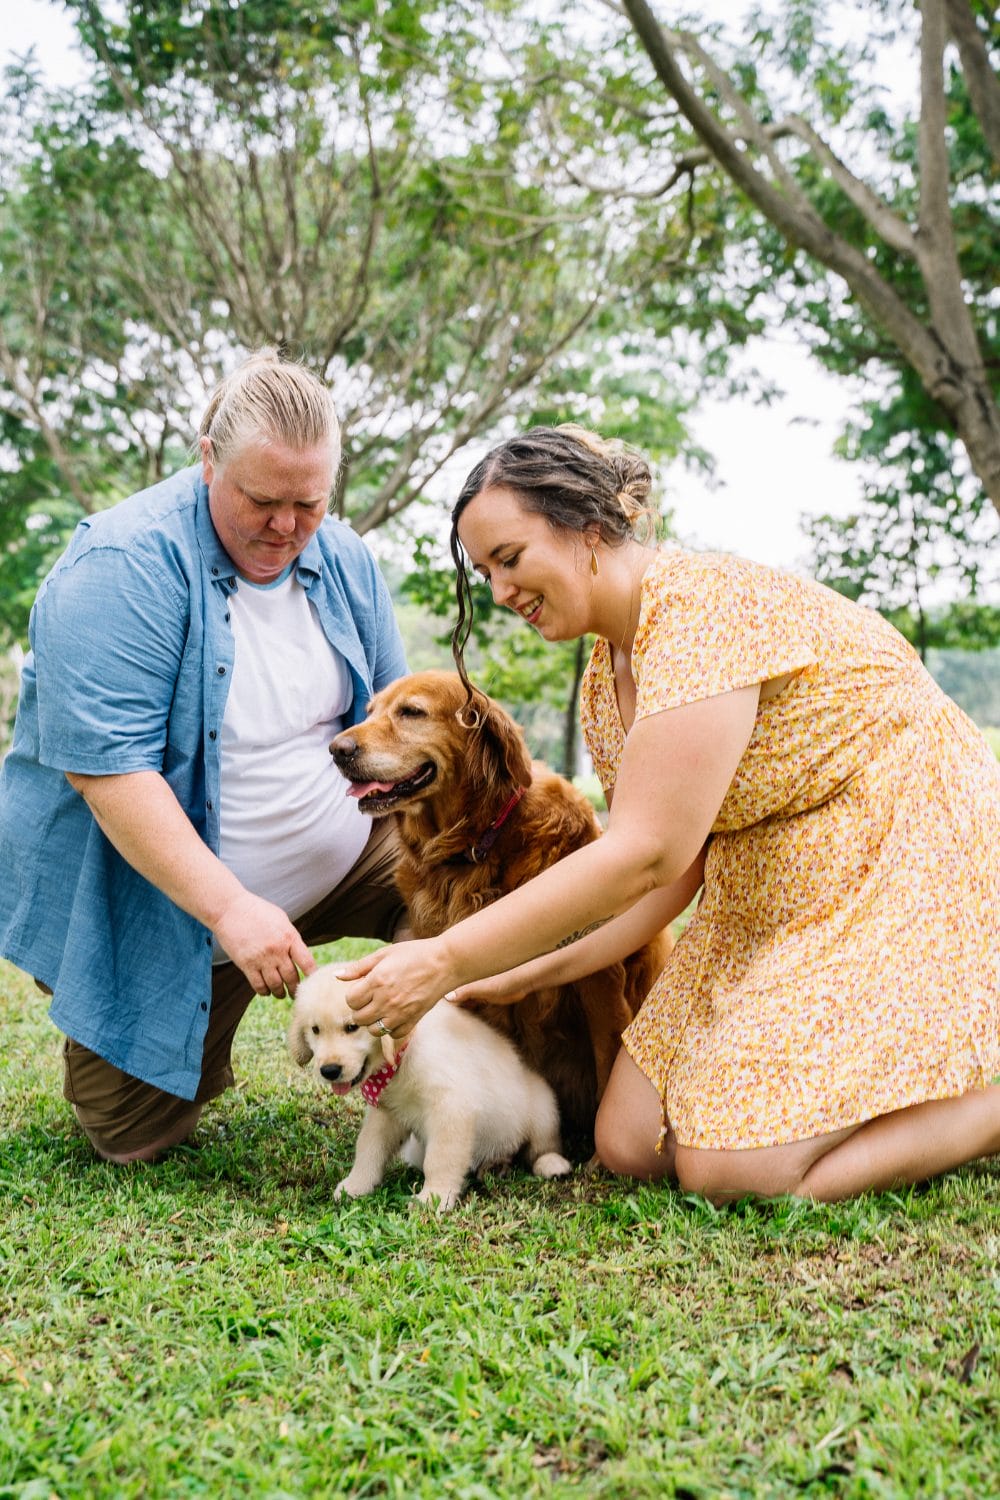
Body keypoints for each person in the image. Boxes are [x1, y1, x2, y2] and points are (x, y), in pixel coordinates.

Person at [337, 424, 1000, 1203]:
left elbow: (643, 855)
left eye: (510, 558)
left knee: (729, 1169)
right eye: (485, 572)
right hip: (768, 894)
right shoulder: (605, 676)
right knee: (630, 1143)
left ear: (588, 528)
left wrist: (446, 960)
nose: (501, 591)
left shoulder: (701, 610)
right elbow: (671, 876)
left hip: (902, 861)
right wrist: (520, 976)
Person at [0, 351, 409, 1164]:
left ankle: (476, 1067)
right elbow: (109, 774)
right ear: (209, 459)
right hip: (184, 911)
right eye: (262, 501)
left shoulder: (348, 559)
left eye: (309, 503)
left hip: (354, 856)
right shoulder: (119, 568)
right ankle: (182, 1003)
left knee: (489, 884)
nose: (286, 527)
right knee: (130, 1137)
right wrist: (231, 911)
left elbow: (394, 721)